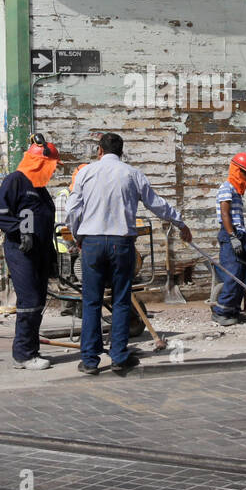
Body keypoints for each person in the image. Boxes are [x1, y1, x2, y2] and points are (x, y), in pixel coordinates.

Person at [66, 132, 192, 375]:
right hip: (120, 244)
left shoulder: (85, 173)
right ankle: (119, 356)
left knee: (91, 301)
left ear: (99, 151)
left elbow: (72, 209)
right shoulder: (132, 174)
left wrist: (77, 235)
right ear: (121, 152)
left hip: (91, 243)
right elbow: (156, 203)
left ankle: (90, 360)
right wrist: (180, 223)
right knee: (121, 300)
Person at [0, 134, 60, 370]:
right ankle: (23, 355)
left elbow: (45, 225)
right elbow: (1, 214)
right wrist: (21, 231)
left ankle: (30, 350)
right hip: (21, 252)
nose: (53, 172)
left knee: (38, 302)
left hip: (40, 253)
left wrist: (52, 257)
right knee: (29, 301)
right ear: (40, 163)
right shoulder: (16, 181)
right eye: (51, 167)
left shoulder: (41, 190)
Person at [212, 152, 246, 325]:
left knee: (241, 276)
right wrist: (232, 236)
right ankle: (220, 312)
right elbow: (225, 214)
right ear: (237, 170)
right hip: (230, 235)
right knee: (233, 275)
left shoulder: (237, 192)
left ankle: (234, 312)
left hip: (240, 234)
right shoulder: (226, 188)